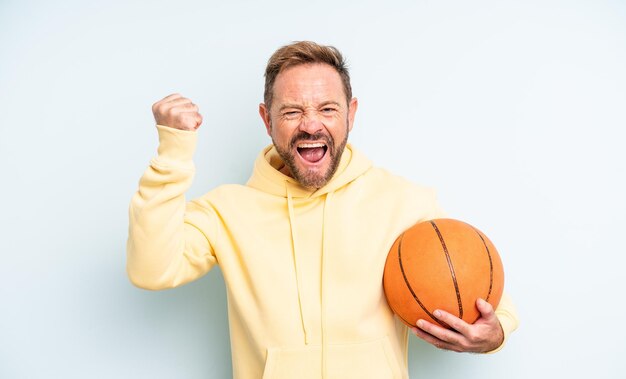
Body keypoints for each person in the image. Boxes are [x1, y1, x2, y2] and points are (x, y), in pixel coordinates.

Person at [127, 41, 519, 379]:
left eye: (327, 109)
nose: (311, 125)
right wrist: (173, 153)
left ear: (351, 113)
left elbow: (486, 298)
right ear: (267, 119)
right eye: (292, 111)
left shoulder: (405, 201)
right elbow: (150, 269)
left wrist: (494, 332)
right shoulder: (226, 211)